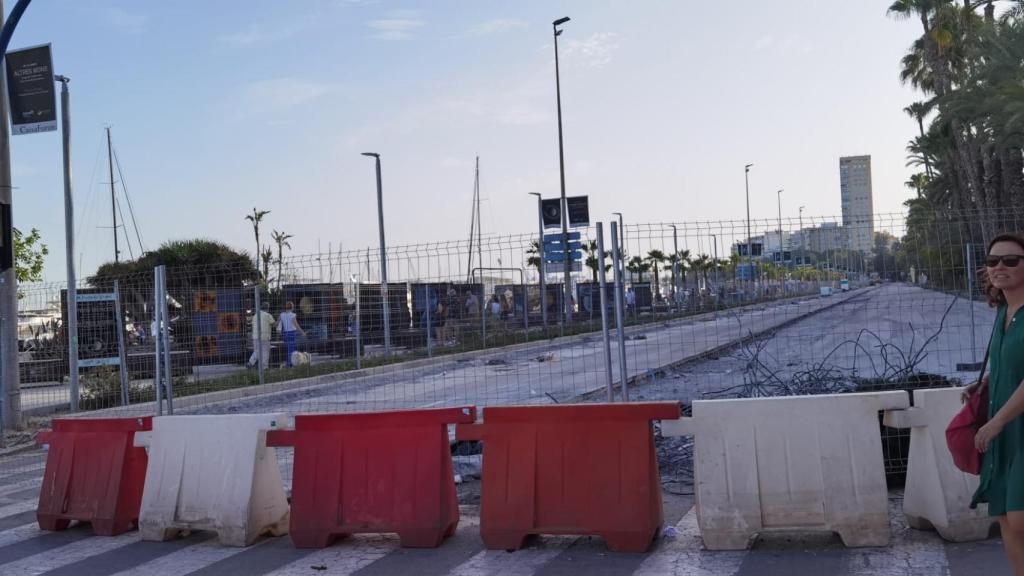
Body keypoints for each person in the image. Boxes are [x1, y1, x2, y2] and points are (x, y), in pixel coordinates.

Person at [965, 233, 1024, 573]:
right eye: (992, 261)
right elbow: (1012, 361)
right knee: (1004, 513)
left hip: (1014, 425)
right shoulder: (1004, 309)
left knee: (1019, 517)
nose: (999, 267)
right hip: (1003, 429)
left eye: (1011, 260)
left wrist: (998, 420)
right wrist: (984, 382)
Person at [277, 301, 306, 368]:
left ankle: (288, 363)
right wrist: (302, 332)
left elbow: (276, 323)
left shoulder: (281, 315)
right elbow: (296, 325)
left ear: (286, 307)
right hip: (292, 333)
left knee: (288, 349)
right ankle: (289, 365)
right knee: (291, 350)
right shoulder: (293, 315)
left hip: (285, 333)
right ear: (292, 308)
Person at [248, 302, 274, 370]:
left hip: (255, 336)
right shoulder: (268, 315)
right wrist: (279, 321)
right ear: (267, 308)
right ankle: (265, 367)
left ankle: (250, 362)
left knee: (257, 351)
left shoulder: (255, 315)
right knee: (265, 352)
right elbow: (273, 324)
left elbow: (252, 325)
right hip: (264, 336)